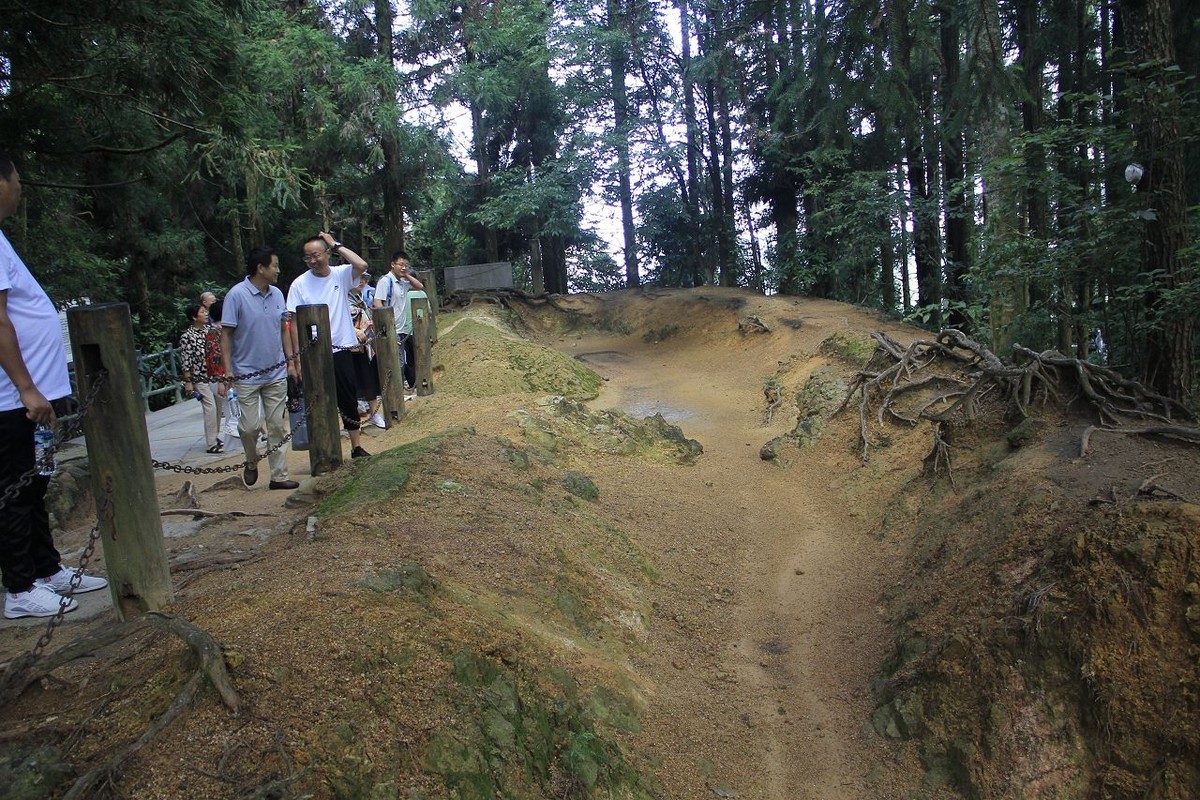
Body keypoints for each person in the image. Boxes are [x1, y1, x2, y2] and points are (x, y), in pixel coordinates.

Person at [0, 153, 108, 619]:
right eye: (16, 178)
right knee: (15, 489)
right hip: (13, 399)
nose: (20, 187)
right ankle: (19, 587)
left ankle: (45, 568)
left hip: (35, 397)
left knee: (36, 483)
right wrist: (26, 388)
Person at [220, 245, 299, 490]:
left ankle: (279, 476)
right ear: (260, 268)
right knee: (250, 427)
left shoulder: (277, 294)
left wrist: (290, 362)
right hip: (246, 373)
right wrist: (227, 370)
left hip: (276, 371)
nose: (278, 270)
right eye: (274, 265)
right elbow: (226, 335)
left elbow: (284, 330)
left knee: (276, 426)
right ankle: (251, 459)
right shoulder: (236, 295)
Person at [287, 233, 371, 459]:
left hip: (341, 348)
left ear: (327, 253)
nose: (312, 261)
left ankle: (356, 446)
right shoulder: (299, 284)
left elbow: (361, 265)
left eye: (316, 255)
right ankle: (324, 451)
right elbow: (293, 322)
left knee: (348, 397)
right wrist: (297, 356)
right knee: (319, 399)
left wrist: (336, 244)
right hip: (313, 351)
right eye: (307, 257)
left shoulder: (340, 274)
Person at [372, 250, 424, 395]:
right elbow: (377, 302)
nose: (403, 267)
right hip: (389, 329)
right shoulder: (385, 281)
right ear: (392, 264)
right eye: (400, 264)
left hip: (400, 329)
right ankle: (395, 393)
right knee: (397, 362)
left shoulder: (402, 283)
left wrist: (406, 274)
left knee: (399, 361)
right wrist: (386, 326)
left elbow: (419, 286)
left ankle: (396, 391)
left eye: (406, 265)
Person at [178, 302, 227, 453]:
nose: (205, 314)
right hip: (199, 377)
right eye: (202, 312)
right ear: (194, 317)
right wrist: (188, 382)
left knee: (218, 406)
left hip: (214, 375)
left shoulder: (210, 330)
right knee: (210, 407)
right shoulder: (187, 336)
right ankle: (211, 443)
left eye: (205, 311)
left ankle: (215, 435)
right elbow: (186, 360)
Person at [349, 271, 384, 429]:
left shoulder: (360, 298)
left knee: (368, 379)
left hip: (365, 346)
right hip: (348, 347)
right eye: (358, 278)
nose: (361, 281)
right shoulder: (341, 299)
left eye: (364, 278)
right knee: (351, 383)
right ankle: (353, 418)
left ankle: (374, 413)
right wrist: (356, 332)